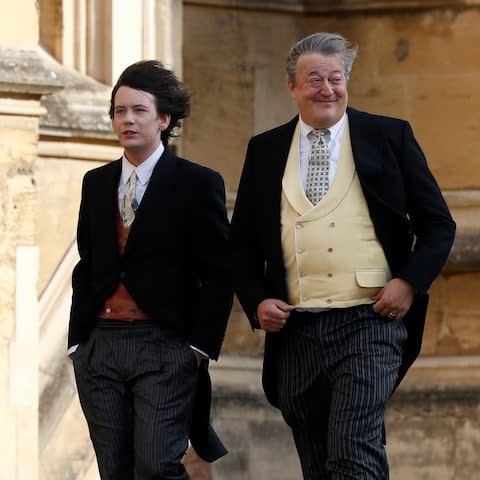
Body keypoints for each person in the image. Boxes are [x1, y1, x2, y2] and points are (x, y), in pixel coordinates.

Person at [230, 32, 455, 479]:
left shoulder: (389, 136)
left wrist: (408, 282)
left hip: (370, 321)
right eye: (315, 80)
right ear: (292, 86)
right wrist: (256, 300)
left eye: (336, 78)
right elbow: (240, 245)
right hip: (297, 329)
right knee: (317, 461)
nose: (327, 90)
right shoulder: (265, 149)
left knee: (353, 448)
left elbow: (438, 225)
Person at [68, 60, 233, 480]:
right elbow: (88, 264)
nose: (127, 119)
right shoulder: (96, 182)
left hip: (165, 346)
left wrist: (199, 348)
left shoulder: (198, 182)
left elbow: (219, 272)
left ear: (163, 119)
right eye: (119, 111)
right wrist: (77, 343)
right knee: (115, 471)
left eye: (139, 110)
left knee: (157, 465)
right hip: (100, 346)